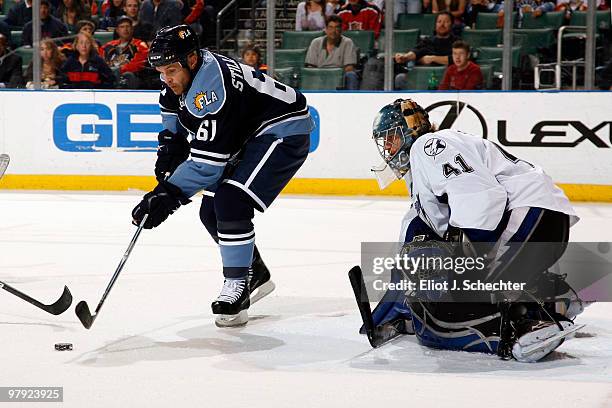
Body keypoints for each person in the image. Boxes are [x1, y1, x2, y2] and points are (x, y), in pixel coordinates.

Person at [357, 98, 583, 362]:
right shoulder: (423, 171)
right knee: (457, 294)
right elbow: (415, 229)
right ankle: (554, 298)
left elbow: (482, 198)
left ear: (409, 130)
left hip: (529, 217)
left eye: (391, 138)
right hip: (541, 220)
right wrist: (394, 304)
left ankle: (519, 331)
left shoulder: (428, 146)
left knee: (452, 312)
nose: (387, 148)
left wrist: (466, 260)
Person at [131, 25, 314, 327]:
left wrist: (167, 195)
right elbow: (171, 115)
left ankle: (237, 286)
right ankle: (254, 271)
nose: (167, 78)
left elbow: (207, 166)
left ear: (191, 60)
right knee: (210, 212)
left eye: (171, 70)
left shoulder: (212, 89)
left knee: (231, 201)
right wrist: (169, 153)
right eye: (162, 71)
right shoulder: (181, 75)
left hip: (283, 130)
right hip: (248, 132)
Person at [394, 12, 457, 89]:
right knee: (400, 78)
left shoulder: (456, 42)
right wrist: (405, 57)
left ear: (452, 24)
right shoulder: (427, 41)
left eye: (446, 22)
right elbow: (416, 51)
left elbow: (455, 58)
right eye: (439, 21)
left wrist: (432, 58)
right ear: (435, 24)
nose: (442, 24)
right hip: (423, 77)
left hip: (446, 78)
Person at [305, 15, 360, 89]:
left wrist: (334, 77)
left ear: (341, 30)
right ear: (326, 29)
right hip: (319, 77)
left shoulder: (348, 42)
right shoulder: (316, 42)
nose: (333, 31)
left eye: (337, 27)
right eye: (331, 27)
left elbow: (349, 68)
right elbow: (310, 67)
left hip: (339, 77)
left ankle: (351, 98)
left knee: (351, 75)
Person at [99, 15, 149, 88]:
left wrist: (118, 70)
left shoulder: (139, 45)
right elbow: (99, 61)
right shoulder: (108, 46)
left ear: (132, 29)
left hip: (128, 79)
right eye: (122, 27)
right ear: (117, 30)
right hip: (109, 77)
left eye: (128, 26)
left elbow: (138, 65)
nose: (125, 29)